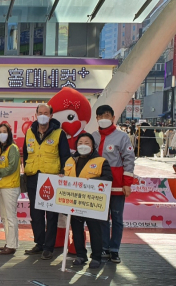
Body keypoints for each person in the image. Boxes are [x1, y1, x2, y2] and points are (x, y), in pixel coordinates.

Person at [23, 104, 71, 260]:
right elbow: (26, 154)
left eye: (46, 113)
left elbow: (65, 156)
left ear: (51, 115)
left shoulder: (59, 134)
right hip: (33, 177)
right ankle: (39, 243)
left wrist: (63, 173)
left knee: (51, 215)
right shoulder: (29, 132)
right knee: (36, 214)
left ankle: (48, 247)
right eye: (40, 113)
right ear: (36, 114)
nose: (42, 115)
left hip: (51, 178)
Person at [92, 105, 135, 264]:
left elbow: (129, 160)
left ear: (113, 118)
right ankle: (104, 247)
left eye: (107, 116)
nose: (104, 118)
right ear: (96, 118)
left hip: (117, 186)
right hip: (98, 186)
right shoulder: (93, 137)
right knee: (102, 219)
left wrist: (127, 183)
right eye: (101, 116)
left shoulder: (122, 137)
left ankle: (115, 250)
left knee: (117, 219)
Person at [63, 133, 113, 269]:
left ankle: (96, 257)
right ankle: (81, 255)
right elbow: (66, 178)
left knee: (95, 231)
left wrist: (90, 183)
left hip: (92, 203)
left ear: (92, 146)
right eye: (80, 143)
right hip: (74, 202)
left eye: (87, 143)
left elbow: (108, 178)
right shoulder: (70, 161)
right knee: (77, 230)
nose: (83, 145)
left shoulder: (101, 161)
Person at [0, 123, 21, 255]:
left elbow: (12, 168)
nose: (2, 134)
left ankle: (12, 245)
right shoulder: (1, 149)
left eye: (5, 131)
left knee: (10, 217)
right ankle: (9, 242)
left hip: (10, 187)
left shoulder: (12, 148)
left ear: (9, 134)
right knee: (4, 217)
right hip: (1, 187)